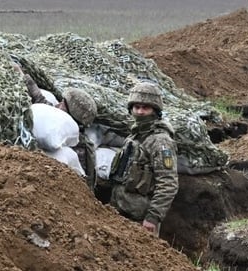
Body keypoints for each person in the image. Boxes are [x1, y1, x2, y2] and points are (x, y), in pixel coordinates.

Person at [109, 82, 179, 235]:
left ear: (155, 111)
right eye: (136, 107)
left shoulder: (160, 141)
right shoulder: (134, 136)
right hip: (119, 210)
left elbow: (168, 183)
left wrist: (153, 217)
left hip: (140, 219)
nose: (140, 112)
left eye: (145, 108)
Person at [19, 65, 99, 190]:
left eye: (63, 104)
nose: (58, 104)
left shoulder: (77, 148)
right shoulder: (55, 120)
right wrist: (22, 75)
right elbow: (40, 99)